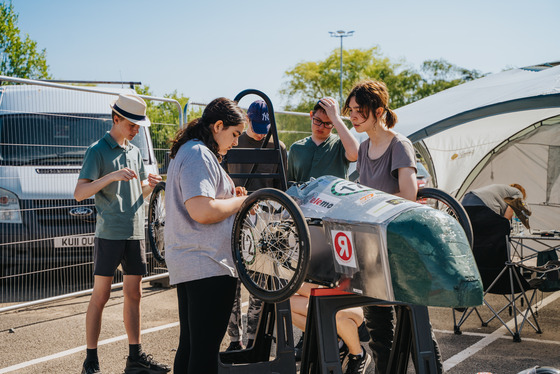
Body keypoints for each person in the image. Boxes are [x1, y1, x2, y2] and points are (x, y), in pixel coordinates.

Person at [343, 79, 442, 374]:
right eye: (350, 111)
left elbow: (409, 194)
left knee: (414, 326)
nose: (353, 117)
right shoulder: (362, 148)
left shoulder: (399, 144)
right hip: (371, 245)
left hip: (399, 245)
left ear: (379, 110)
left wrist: (368, 202)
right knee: (378, 329)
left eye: (359, 111)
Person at [74, 94, 169, 374]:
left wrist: (149, 185)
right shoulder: (97, 151)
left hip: (135, 232)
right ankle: (90, 360)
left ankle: (135, 358)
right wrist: (111, 177)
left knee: (134, 294)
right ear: (116, 118)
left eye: (139, 125)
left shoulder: (135, 152)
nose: (137, 129)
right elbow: (80, 193)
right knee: (100, 296)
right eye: (132, 124)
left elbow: (136, 190)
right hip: (109, 234)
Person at [164, 97, 249, 374]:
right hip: (206, 263)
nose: (236, 142)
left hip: (195, 262)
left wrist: (230, 197)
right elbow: (201, 209)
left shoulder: (190, 151)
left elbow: (206, 201)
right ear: (218, 126)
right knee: (203, 353)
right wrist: (243, 203)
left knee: (191, 347)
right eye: (234, 134)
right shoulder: (199, 154)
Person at [222, 100, 288, 351]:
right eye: (257, 125)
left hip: (264, 224)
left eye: (265, 126)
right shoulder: (232, 142)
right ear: (247, 120)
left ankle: (253, 339)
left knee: (259, 285)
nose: (261, 131)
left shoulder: (278, 147)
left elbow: (281, 188)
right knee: (232, 285)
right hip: (233, 220)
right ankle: (234, 340)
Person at [291, 283, 371, 374]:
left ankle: (358, 355)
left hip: (361, 308)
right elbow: (310, 290)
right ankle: (338, 344)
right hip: (332, 302)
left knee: (335, 310)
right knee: (287, 303)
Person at [287, 97, 359, 184]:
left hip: (334, 197)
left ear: (334, 124)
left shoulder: (340, 145)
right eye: (318, 120)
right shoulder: (296, 148)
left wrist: (335, 118)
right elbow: (289, 183)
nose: (321, 127)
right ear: (311, 115)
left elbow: (356, 154)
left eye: (328, 123)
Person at [461, 183, 531, 228]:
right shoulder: (518, 193)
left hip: (466, 201)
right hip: (482, 204)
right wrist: (504, 226)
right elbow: (509, 211)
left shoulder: (502, 190)